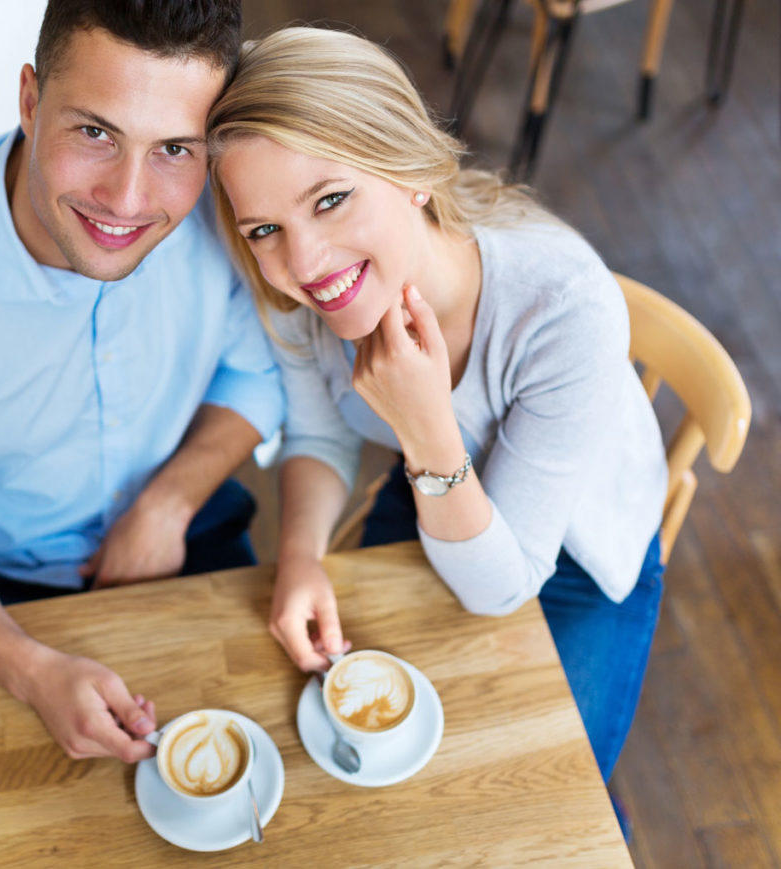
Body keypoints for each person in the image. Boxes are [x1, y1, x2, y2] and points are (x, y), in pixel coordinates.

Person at [0, 1, 284, 865]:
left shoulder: (232, 210)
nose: (128, 199)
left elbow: (254, 375)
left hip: (181, 532)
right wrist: (28, 665)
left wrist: (169, 502)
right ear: (30, 100)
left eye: (174, 148)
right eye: (97, 132)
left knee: (274, 829)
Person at [208, 26, 668, 786]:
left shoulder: (564, 307)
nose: (305, 265)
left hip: (583, 555)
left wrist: (425, 424)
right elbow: (321, 434)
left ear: (411, 168)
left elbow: (504, 584)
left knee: (551, 797)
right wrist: (298, 556)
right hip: (433, 500)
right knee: (374, 766)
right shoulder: (291, 298)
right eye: (266, 229)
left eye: (331, 199)